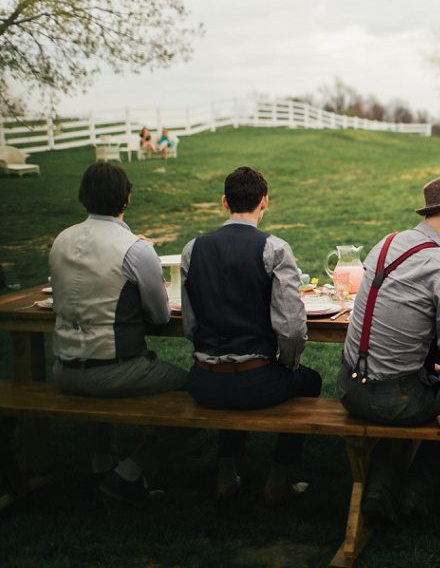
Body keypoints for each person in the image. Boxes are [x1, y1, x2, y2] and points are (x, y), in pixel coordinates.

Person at [337, 170, 440, 524]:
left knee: (417, 389)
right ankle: (415, 492)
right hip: (394, 398)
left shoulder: (386, 243)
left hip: (348, 387)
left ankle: (378, 490)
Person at [49, 162, 188, 504]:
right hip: (114, 369)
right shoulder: (135, 250)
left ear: (84, 197)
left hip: (64, 368)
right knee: (198, 392)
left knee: (101, 377)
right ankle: (129, 472)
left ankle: (101, 462)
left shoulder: (60, 240)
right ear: (127, 198)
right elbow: (158, 316)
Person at [181, 166, 322, 501]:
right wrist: (287, 365)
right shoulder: (274, 249)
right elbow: (292, 329)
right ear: (264, 202)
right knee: (309, 381)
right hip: (254, 382)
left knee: (236, 382)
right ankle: (279, 477)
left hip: (202, 382)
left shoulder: (192, 248)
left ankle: (226, 474)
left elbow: (190, 325)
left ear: (224, 202)